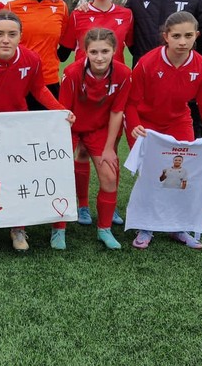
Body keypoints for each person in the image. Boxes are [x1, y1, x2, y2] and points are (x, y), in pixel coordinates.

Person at [125, 0, 202, 231]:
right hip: (147, 87)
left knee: (187, 160)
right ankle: (149, 216)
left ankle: (199, 212)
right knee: (153, 165)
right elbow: (125, 36)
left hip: (185, 87)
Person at [0, 10, 75, 252]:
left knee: (16, 178)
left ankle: (18, 227)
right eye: (0, 34)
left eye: (12, 34)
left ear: (20, 36)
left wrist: (60, 110)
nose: (6, 39)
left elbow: (39, 90)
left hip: (17, 129)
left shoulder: (32, 60)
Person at [124, 11, 202, 250]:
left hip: (179, 122)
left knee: (179, 175)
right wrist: (134, 127)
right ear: (166, 37)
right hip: (146, 126)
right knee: (152, 176)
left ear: (196, 36)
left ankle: (177, 227)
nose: (182, 41)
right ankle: (146, 226)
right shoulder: (147, 63)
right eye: (176, 36)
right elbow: (130, 103)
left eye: (188, 35)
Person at [57, 0, 133, 227]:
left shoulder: (127, 15)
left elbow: (134, 47)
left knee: (109, 149)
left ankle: (110, 209)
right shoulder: (77, 15)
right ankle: (82, 205)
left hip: (113, 89)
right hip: (82, 90)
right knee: (79, 152)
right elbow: (63, 50)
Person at [56, 28, 131, 250]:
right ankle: (58, 229)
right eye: (94, 51)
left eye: (105, 51)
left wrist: (109, 148)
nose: (100, 57)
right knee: (59, 174)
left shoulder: (124, 74)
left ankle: (104, 229)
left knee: (109, 175)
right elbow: (63, 112)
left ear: (114, 51)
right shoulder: (71, 72)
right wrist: (62, 147)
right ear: (85, 52)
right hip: (70, 127)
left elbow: (117, 112)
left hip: (98, 129)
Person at [6, 0, 69, 108]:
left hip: (50, 82)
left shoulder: (61, 7)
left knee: (49, 130)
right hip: (20, 81)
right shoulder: (11, 7)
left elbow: (66, 42)